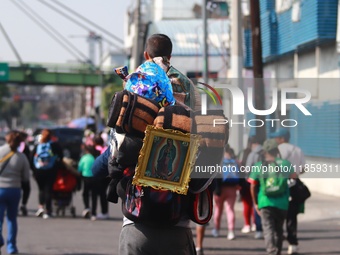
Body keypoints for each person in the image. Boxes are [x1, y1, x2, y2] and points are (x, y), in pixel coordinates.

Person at [248, 139, 297, 255]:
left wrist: (255, 203)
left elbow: (252, 186)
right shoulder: (285, 164)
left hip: (265, 202)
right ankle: (278, 251)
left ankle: (271, 251)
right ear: (276, 150)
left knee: (268, 229)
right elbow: (294, 178)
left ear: (264, 152)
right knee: (279, 230)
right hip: (282, 203)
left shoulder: (259, 166)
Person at [270, 128, 306, 254]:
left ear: (282, 138)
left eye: (276, 137)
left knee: (277, 214)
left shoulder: (277, 150)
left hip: (279, 185)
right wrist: (294, 173)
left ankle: (276, 240)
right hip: (294, 185)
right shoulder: (298, 150)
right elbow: (303, 169)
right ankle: (293, 244)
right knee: (292, 216)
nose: (275, 140)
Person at [0, 130, 30, 254]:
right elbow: (26, 177)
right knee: (12, 219)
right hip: (14, 190)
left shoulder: (0, 151)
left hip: (0, 189)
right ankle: (11, 247)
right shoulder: (21, 157)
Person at [31, 129, 63, 219]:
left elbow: (31, 157)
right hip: (51, 170)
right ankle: (48, 211)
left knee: (41, 189)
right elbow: (61, 157)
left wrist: (34, 170)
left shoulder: (38, 145)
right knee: (48, 189)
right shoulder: (55, 145)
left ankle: (41, 207)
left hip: (39, 170)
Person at [211, 144, 240, 240]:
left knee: (218, 210)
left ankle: (216, 229)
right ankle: (231, 232)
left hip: (220, 189)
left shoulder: (219, 160)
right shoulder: (235, 161)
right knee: (230, 210)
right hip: (232, 188)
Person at [245, 136, 264, 239]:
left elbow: (247, 169)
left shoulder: (253, 154)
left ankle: (259, 228)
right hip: (267, 180)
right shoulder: (266, 152)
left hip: (255, 181)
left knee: (256, 204)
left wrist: (247, 179)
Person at [78, 144, 98, 221]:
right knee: (94, 196)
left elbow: (79, 168)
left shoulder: (84, 158)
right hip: (94, 177)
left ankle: (87, 208)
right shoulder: (94, 158)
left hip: (86, 177)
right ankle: (93, 213)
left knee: (85, 193)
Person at [17, 131, 31, 216]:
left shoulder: (7, 148)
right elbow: (28, 160)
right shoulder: (25, 147)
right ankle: (23, 204)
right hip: (21, 173)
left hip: (10, 176)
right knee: (26, 189)